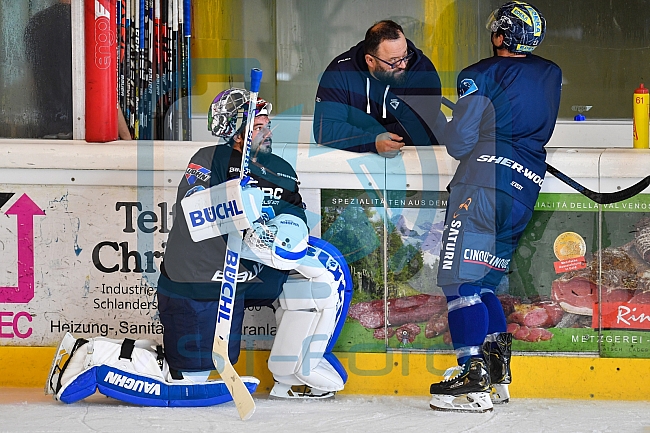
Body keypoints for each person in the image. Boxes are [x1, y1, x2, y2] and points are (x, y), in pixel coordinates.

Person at [45, 89, 352, 407]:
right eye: (258, 126)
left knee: (315, 285)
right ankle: (90, 355)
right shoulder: (207, 160)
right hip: (198, 282)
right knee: (191, 374)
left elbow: (295, 215)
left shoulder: (280, 169)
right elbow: (196, 210)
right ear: (236, 131)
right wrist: (238, 205)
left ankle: (295, 374)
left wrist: (286, 234)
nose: (268, 132)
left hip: (245, 277)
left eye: (268, 124)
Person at [428, 2, 562, 413]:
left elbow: (459, 144)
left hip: (481, 185)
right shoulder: (550, 73)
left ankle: (471, 378)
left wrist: (445, 118)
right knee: (484, 283)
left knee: (460, 283)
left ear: (502, 36)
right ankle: (497, 375)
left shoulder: (478, 75)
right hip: (524, 190)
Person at [313, 20, 445, 158]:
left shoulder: (423, 72)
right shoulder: (340, 72)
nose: (403, 65)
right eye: (394, 61)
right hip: (361, 159)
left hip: (427, 155)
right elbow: (325, 129)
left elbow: (415, 133)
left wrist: (354, 132)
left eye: (405, 55)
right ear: (370, 60)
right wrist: (372, 141)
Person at [24, 0, 73, 139]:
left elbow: (33, 81)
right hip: (82, 127)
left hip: (48, 127)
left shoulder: (35, 24)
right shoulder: (85, 23)